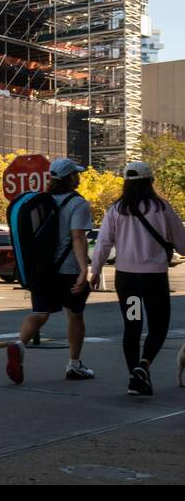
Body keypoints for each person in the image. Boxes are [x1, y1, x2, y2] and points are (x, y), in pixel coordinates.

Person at [90, 161, 185, 396]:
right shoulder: (161, 208)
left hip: (127, 280)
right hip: (153, 279)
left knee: (132, 325)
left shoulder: (116, 210)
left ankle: (135, 377)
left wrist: (95, 271)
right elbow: (182, 243)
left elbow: (102, 243)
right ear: (150, 182)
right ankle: (144, 364)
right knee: (158, 325)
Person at [6, 158, 95, 384]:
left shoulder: (40, 202)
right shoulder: (78, 203)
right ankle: (74, 365)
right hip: (68, 270)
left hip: (43, 270)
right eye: (77, 174)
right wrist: (85, 269)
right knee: (75, 314)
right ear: (70, 178)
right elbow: (78, 237)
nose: (79, 177)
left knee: (40, 313)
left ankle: (19, 345)